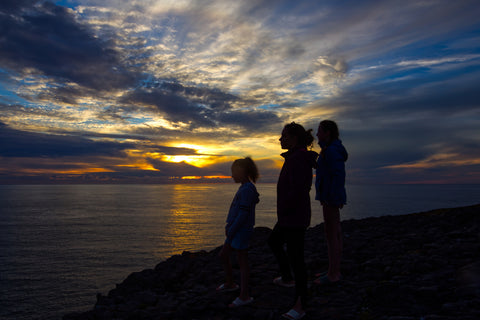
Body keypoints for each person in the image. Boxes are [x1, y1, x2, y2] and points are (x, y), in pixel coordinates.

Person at [268, 122, 318, 320]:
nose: (280, 139)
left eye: (284, 136)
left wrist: (286, 209)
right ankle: (287, 278)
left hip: (294, 217)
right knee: (274, 242)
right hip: (289, 216)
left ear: (294, 139)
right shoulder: (294, 157)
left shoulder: (297, 159)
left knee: (297, 260)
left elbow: (298, 190)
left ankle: (301, 305)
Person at [217, 157, 260, 308]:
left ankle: (245, 295)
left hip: (241, 231)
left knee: (242, 261)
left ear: (242, 171)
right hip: (235, 230)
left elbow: (243, 214)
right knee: (223, 255)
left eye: (234, 172)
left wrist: (232, 229)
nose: (232, 175)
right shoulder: (244, 188)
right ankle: (230, 283)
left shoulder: (247, 189)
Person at [314, 120, 348, 286]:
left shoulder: (332, 151)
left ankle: (333, 273)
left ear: (327, 133)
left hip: (330, 197)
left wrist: (333, 197)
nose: (317, 134)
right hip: (330, 196)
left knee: (331, 233)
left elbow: (338, 175)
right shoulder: (329, 149)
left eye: (319, 131)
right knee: (335, 232)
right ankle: (333, 269)